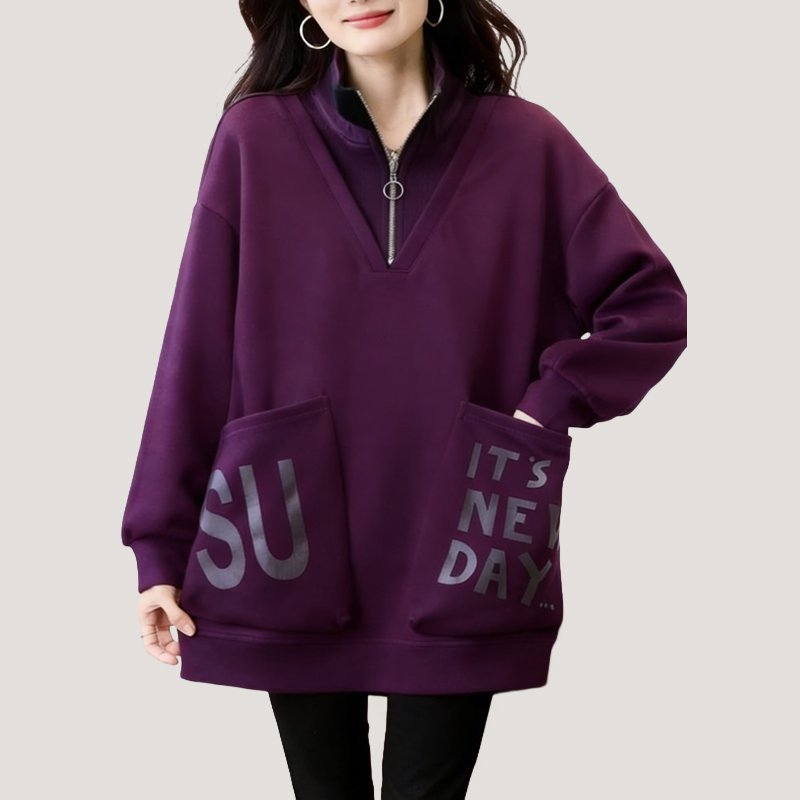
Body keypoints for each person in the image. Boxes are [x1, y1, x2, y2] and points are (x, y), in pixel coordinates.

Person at [120, 1, 688, 797]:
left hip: (466, 531)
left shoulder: (528, 145)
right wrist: (159, 547)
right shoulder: (254, 139)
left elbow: (650, 306)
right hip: (291, 533)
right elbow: (197, 350)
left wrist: (544, 410)